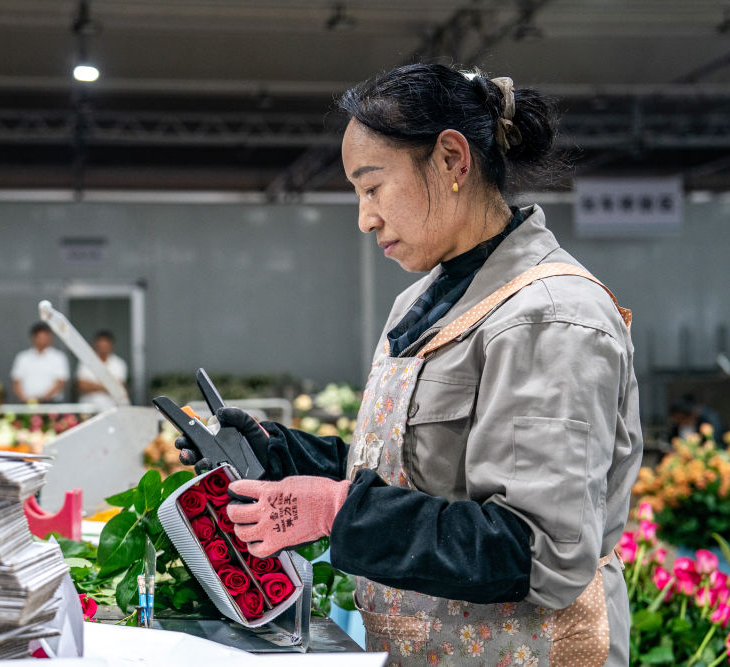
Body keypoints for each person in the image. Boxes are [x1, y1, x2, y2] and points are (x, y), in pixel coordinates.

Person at [177, 63, 642, 666]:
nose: (365, 217)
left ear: (451, 159)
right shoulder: (425, 300)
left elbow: (537, 552)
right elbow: (420, 473)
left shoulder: (549, 317)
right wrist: (285, 456)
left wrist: (337, 510)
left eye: (372, 187)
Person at [10, 322, 69, 403]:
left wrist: (42, 399)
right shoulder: (23, 357)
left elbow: (60, 382)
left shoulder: (59, 357)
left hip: (51, 404)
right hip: (26, 404)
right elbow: (16, 381)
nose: (43, 340)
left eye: (46, 336)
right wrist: (25, 399)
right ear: (34, 337)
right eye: (40, 337)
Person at [76, 330, 128, 411]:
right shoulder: (86, 361)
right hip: (88, 408)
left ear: (111, 345)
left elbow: (119, 388)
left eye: (105, 344)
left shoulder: (119, 363)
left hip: (111, 408)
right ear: (95, 344)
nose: (103, 347)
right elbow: (82, 385)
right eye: (100, 344)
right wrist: (109, 386)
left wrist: (93, 385)